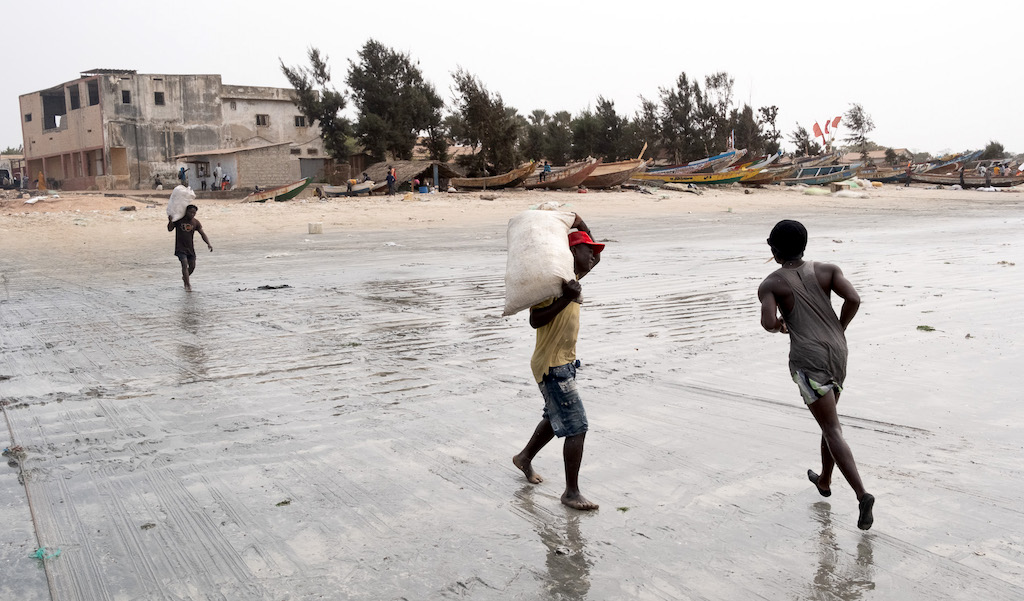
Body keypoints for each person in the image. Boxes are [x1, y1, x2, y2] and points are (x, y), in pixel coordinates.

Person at [757, 219, 874, 530]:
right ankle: (824, 479)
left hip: (808, 359)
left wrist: (783, 324)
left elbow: (768, 323)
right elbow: (854, 299)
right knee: (829, 421)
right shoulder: (828, 270)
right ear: (804, 245)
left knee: (832, 427)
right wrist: (840, 327)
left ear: (774, 248)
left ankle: (862, 495)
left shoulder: (771, 284)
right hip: (838, 352)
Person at [513, 214, 604, 511]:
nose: (594, 255)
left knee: (556, 417)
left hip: (565, 362)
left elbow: (595, 260)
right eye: (588, 250)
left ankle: (524, 457)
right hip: (552, 364)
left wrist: (581, 223)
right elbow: (534, 319)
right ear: (572, 253)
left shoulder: (575, 278)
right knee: (576, 426)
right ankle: (571, 493)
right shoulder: (556, 283)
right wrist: (566, 299)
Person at [167, 204, 212, 292]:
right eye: (190, 212)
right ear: (186, 212)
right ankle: (187, 285)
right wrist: (170, 221)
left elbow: (202, 234)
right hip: (180, 247)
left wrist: (208, 243)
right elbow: (170, 229)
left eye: (194, 213)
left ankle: (185, 278)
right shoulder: (179, 220)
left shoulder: (195, 222)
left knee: (192, 266)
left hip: (190, 248)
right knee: (184, 264)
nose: (192, 214)